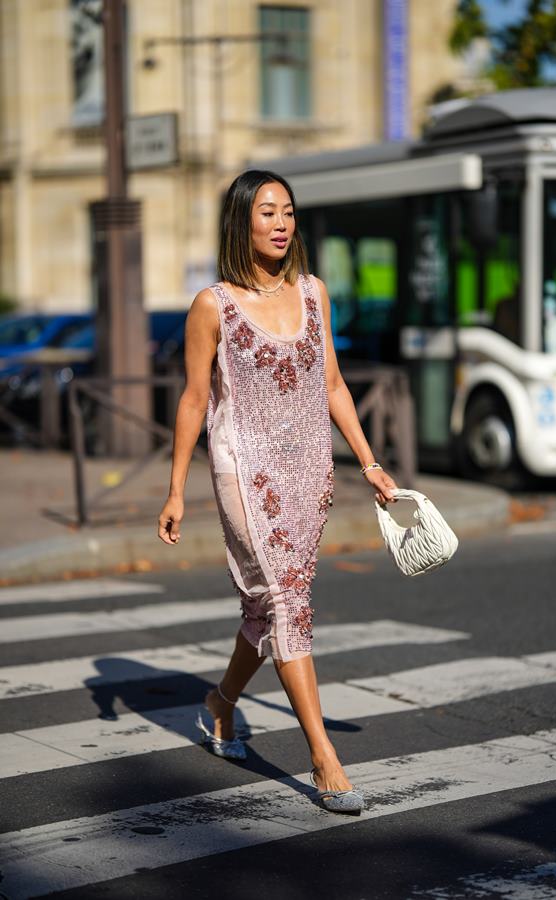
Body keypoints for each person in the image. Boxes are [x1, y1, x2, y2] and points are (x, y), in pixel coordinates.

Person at [158, 169, 399, 814]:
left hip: (308, 467)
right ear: (242, 222)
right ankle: (323, 758)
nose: (282, 223)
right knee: (288, 602)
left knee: (267, 608)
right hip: (244, 466)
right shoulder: (214, 305)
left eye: (288, 211)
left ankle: (218, 706)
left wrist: (369, 463)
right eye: (267, 212)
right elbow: (193, 397)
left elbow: (334, 387)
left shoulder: (314, 292)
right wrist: (176, 488)